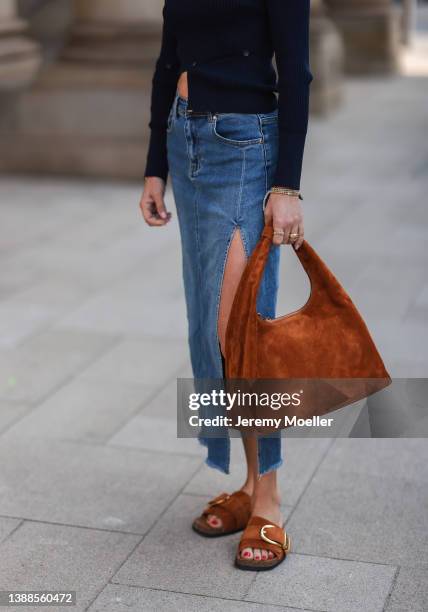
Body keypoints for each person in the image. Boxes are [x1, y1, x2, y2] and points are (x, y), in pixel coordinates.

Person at [139, 0, 312, 570]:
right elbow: (168, 62)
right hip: (184, 145)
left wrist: (287, 185)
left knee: (239, 332)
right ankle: (247, 485)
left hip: (243, 149)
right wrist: (154, 168)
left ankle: (268, 498)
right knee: (209, 336)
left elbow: (296, 69)